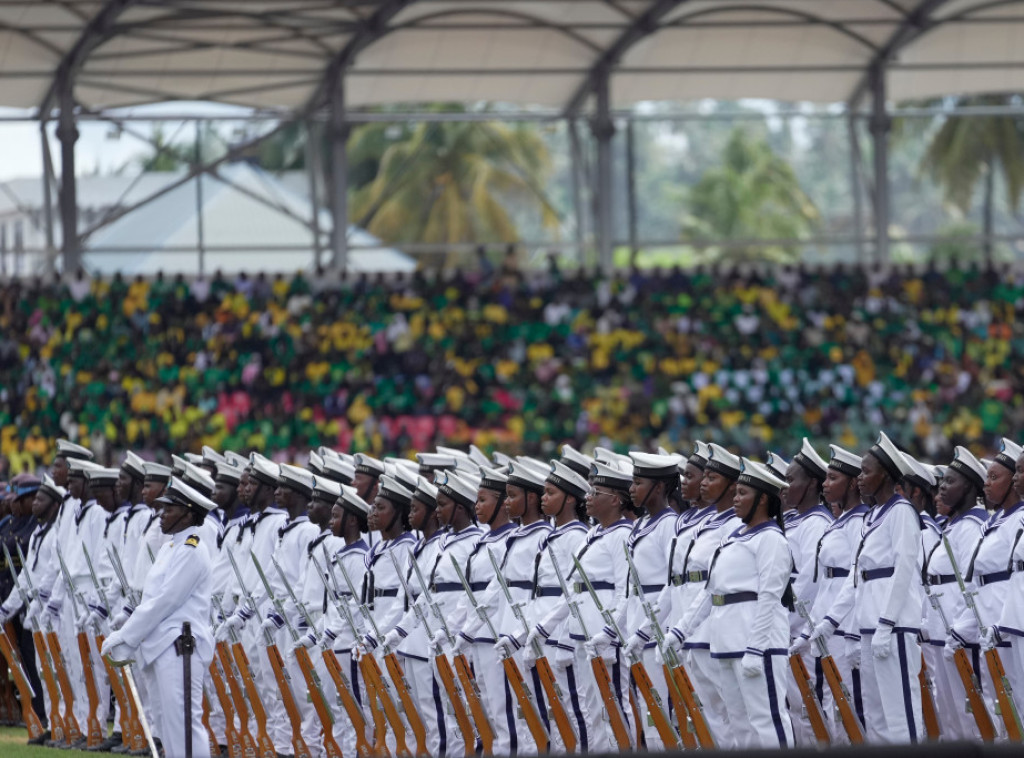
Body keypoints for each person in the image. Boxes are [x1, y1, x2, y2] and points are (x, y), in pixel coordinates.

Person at [808, 432, 924, 744]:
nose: (860, 478)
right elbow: (856, 577)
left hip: (894, 626)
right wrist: (830, 622)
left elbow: (904, 571)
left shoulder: (901, 511)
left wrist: (887, 622)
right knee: (876, 716)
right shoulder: (873, 516)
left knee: (901, 714)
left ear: (885, 474)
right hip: (870, 625)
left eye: (866, 471)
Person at [674, 458, 795, 749]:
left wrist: (756, 647)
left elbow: (770, 596)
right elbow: (711, 591)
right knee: (741, 726)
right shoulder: (733, 537)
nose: (736, 499)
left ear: (763, 499)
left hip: (755, 642)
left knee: (767, 722)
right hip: (725, 641)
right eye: (736, 492)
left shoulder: (771, 539)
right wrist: (680, 630)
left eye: (743, 494)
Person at [101, 477, 216, 758]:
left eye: (169, 509)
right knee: (165, 727)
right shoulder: (170, 547)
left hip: (180, 648)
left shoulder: (192, 549)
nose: (161, 514)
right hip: (161, 647)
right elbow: (152, 599)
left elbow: (165, 601)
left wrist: (125, 635)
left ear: (188, 514)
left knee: (184, 727)